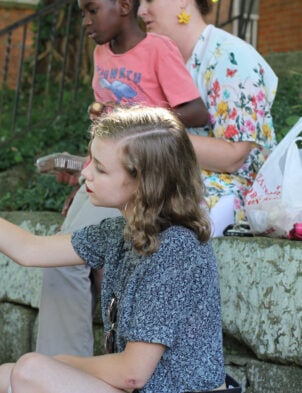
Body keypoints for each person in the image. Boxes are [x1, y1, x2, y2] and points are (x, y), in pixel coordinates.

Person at [0, 105, 241, 393]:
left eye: (100, 167)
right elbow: (30, 250)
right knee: (4, 378)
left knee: (29, 373)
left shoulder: (176, 249)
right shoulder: (122, 232)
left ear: (144, 182)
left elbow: (132, 372)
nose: (85, 174)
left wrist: (62, 363)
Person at [36, 0, 210, 358]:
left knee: (67, 261)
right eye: (82, 12)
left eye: (93, 10)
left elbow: (195, 111)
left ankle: (64, 371)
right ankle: (60, 367)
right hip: (106, 173)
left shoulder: (158, 48)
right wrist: (90, 170)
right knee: (59, 261)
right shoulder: (101, 54)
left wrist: (138, 121)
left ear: (125, 6)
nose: (86, 21)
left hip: (142, 181)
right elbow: (108, 124)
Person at [137, 0, 278, 235]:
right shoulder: (157, 62)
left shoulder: (232, 57)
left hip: (237, 193)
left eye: (149, 0)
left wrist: (151, 135)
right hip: (176, 181)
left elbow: (234, 157)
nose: (141, 11)